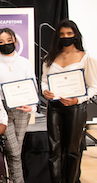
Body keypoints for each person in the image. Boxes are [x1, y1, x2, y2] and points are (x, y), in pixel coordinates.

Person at [41, 19, 97, 183]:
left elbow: (93, 87)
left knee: (72, 150)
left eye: (69, 34)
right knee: (54, 148)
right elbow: (44, 80)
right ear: (58, 36)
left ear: (75, 35)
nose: (65, 36)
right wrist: (45, 91)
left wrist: (77, 100)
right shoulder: (49, 58)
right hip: (55, 107)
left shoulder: (86, 58)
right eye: (62, 34)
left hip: (76, 108)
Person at [0, 28, 36, 183]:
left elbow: (32, 87)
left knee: (16, 151)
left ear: (15, 40)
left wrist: (32, 107)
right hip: (2, 110)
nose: (5, 44)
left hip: (22, 110)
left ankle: (11, 180)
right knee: (13, 150)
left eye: (8, 41)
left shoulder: (25, 63)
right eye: (1, 42)